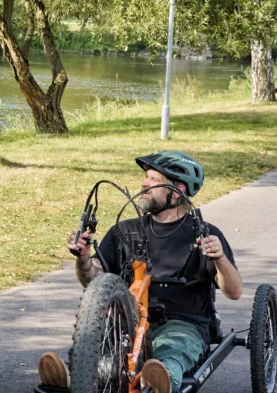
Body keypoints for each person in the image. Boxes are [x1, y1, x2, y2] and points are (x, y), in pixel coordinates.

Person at [38, 152, 243, 393]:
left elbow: (234, 291)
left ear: (178, 191)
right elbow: (93, 280)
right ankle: (74, 378)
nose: (144, 184)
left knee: (171, 353)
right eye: (146, 177)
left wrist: (219, 259)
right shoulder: (124, 232)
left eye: (153, 180)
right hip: (129, 322)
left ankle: (158, 380)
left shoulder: (204, 234)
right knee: (103, 356)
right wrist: (83, 258)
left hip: (182, 323)